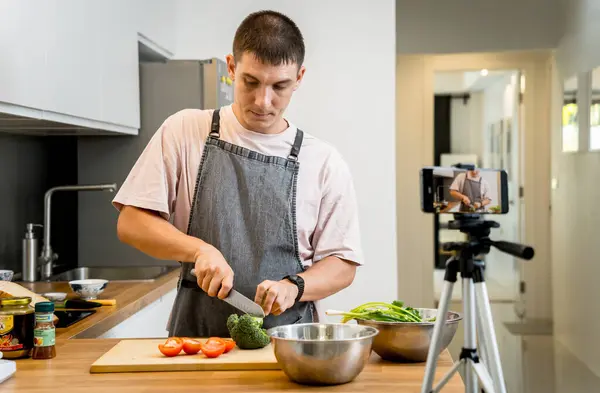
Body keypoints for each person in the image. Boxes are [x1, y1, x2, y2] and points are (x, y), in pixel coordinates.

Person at [111, 10, 363, 338]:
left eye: (280, 86)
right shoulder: (185, 130)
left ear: (299, 77)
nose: (263, 101)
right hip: (195, 340)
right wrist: (198, 250)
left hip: (289, 345)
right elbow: (131, 222)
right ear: (232, 67)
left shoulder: (324, 162)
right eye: (251, 82)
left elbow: (342, 265)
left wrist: (295, 287)